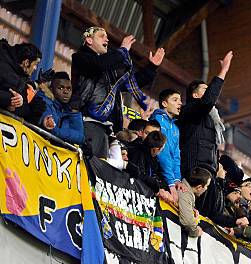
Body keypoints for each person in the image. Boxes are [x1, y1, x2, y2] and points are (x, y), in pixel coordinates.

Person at [71, 27, 164, 158]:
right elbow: (98, 65)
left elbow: (132, 83)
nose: (107, 39)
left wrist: (152, 68)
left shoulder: (108, 68)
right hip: (87, 121)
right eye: (101, 36)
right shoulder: (80, 57)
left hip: (107, 128)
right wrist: (122, 50)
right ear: (89, 40)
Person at [178, 51, 233, 175]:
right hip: (194, 169)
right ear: (195, 94)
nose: (209, 92)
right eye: (205, 89)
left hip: (208, 169)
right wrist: (223, 71)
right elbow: (208, 101)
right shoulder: (191, 109)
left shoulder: (210, 116)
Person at [0, 40, 45, 121]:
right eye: (35, 64)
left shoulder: (20, 75)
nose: (35, 69)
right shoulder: (5, 70)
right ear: (26, 62)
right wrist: (9, 100)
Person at [151, 88, 182, 199]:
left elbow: (176, 156)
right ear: (164, 103)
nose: (180, 103)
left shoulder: (175, 128)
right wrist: (171, 183)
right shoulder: (157, 120)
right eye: (175, 100)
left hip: (169, 178)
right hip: (157, 173)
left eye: (180, 100)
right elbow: (163, 153)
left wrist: (177, 179)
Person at [125, 130, 172, 202]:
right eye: (162, 148)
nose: (162, 150)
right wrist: (157, 187)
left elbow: (159, 176)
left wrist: (165, 190)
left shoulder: (154, 159)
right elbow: (140, 175)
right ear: (155, 149)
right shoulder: (138, 153)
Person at [37, 71, 84, 145]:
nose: (66, 92)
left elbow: (80, 137)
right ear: (51, 89)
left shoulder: (70, 110)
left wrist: (74, 112)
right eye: (61, 88)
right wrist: (58, 132)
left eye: (69, 89)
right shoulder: (44, 101)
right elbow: (51, 129)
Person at [178, 167, 212, 237]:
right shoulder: (185, 194)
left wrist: (191, 208)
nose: (206, 189)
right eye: (206, 186)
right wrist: (196, 231)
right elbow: (187, 222)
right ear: (199, 187)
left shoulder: (187, 192)